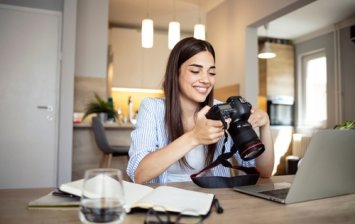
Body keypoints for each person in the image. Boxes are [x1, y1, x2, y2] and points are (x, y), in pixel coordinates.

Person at [127, 37, 274, 184]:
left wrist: (265, 124)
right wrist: (194, 137)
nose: (206, 80)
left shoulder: (223, 110)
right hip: (165, 202)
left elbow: (265, 173)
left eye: (211, 73)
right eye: (196, 71)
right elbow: (138, 174)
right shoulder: (152, 108)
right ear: (175, 73)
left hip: (213, 200)